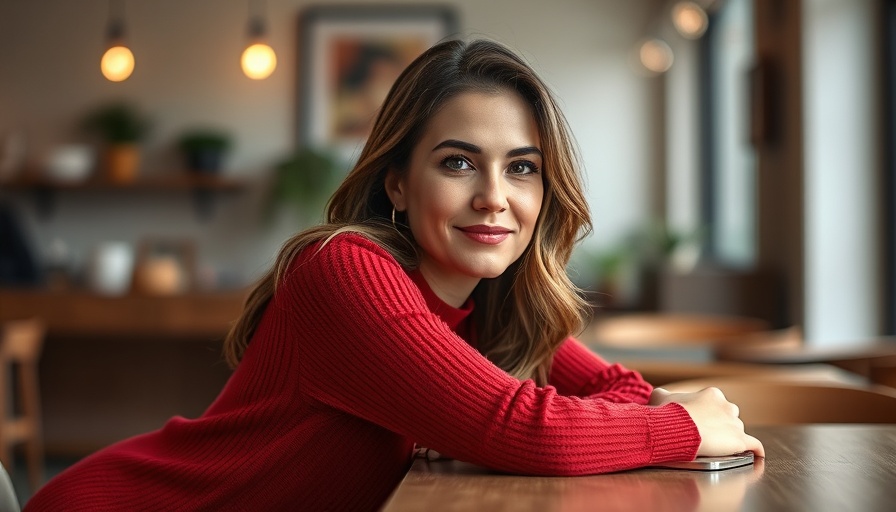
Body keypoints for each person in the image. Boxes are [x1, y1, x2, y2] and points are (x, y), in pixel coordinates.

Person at [25, 38, 763, 512]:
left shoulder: (497, 302)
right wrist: (681, 422)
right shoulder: (345, 270)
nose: (494, 198)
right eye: (457, 162)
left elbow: (611, 390)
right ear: (398, 184)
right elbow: (523, 429)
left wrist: (660, 413)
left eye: (523, 169)